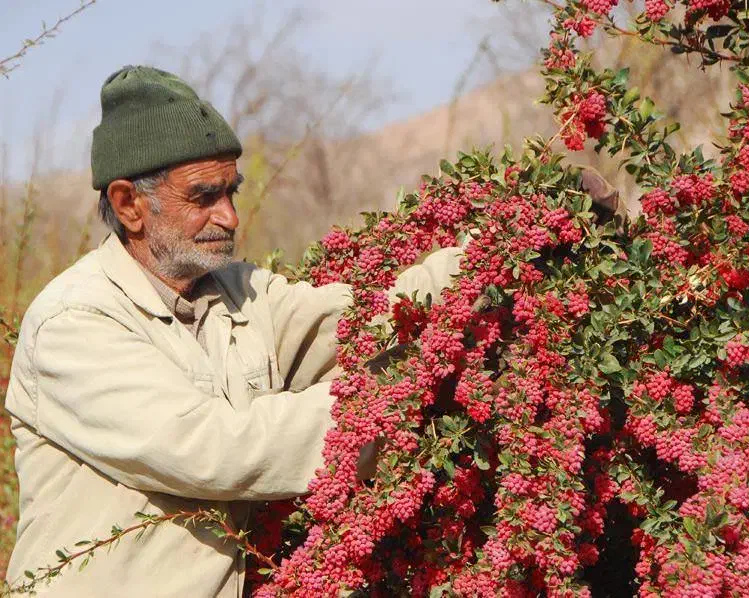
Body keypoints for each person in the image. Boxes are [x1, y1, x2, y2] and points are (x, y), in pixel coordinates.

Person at [3, 66, 463, 597]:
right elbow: (215, 447)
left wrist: (492, 252)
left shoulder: (238, 291)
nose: (230, 217)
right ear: (130, 204)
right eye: (203, 198)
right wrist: (391, 407)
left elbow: (366, 320)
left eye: (231, 192)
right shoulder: (73, 323)